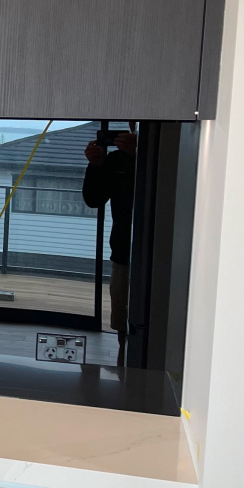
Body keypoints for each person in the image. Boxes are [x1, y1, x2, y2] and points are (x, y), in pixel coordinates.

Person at [83, 126, 137, 367]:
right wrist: (95, 165)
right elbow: (93, 199)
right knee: (121, 310)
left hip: (148, 250)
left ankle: (128, 362)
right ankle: (123, 359)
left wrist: (137, 157)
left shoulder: (159, 158)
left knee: (130, 308)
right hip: (123, 249)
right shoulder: (115, 160)